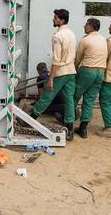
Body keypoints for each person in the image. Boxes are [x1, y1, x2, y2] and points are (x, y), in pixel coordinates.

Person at [25, 9, 76, 141]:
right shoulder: (71, 33)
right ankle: (70, 128)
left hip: (60, 71)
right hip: (71, 70)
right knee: (69, 100)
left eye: (55, 18)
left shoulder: (57, 36)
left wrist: (51, 78)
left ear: (62, 20)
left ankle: (31, 119)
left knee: (47, 95)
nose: (53, 19)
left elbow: (56, 59)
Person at [73, 18, 107, 139]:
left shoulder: (85, 40)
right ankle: (83, 128)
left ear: (91, 26)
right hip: (100, 72)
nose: (84, 26)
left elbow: (78, 58)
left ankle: (68, 123)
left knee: (75, 96)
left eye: (86, 24)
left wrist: (74, 70)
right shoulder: (103, 39)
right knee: (89, 99)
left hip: (87, 70)